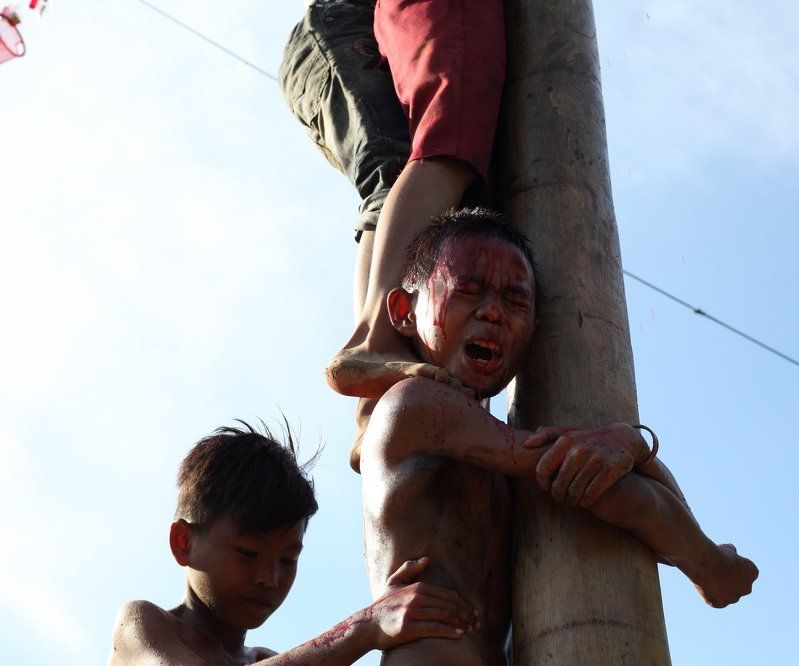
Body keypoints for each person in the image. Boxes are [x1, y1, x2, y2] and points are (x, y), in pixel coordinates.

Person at [359, 208, 759, 664]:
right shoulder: (417, 403)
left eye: (516, 301)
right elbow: (605, 487)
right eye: (468, 290)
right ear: (403, 311)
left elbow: (620, 490)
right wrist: (707, 562)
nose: (492, 312)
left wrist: (633, 445)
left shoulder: (490, 447)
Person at [279, 0, 504, 460]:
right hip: (345, 26)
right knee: (445, 143)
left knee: (441, 191)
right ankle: (373, 343)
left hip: (353, 33)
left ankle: (375, 399)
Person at [108, 421, 478, 664]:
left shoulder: (265, 658)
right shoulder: (143, 626)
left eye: (287, 560)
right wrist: (365, 627)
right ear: (183, 541)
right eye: (248, 553)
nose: (270, 578)